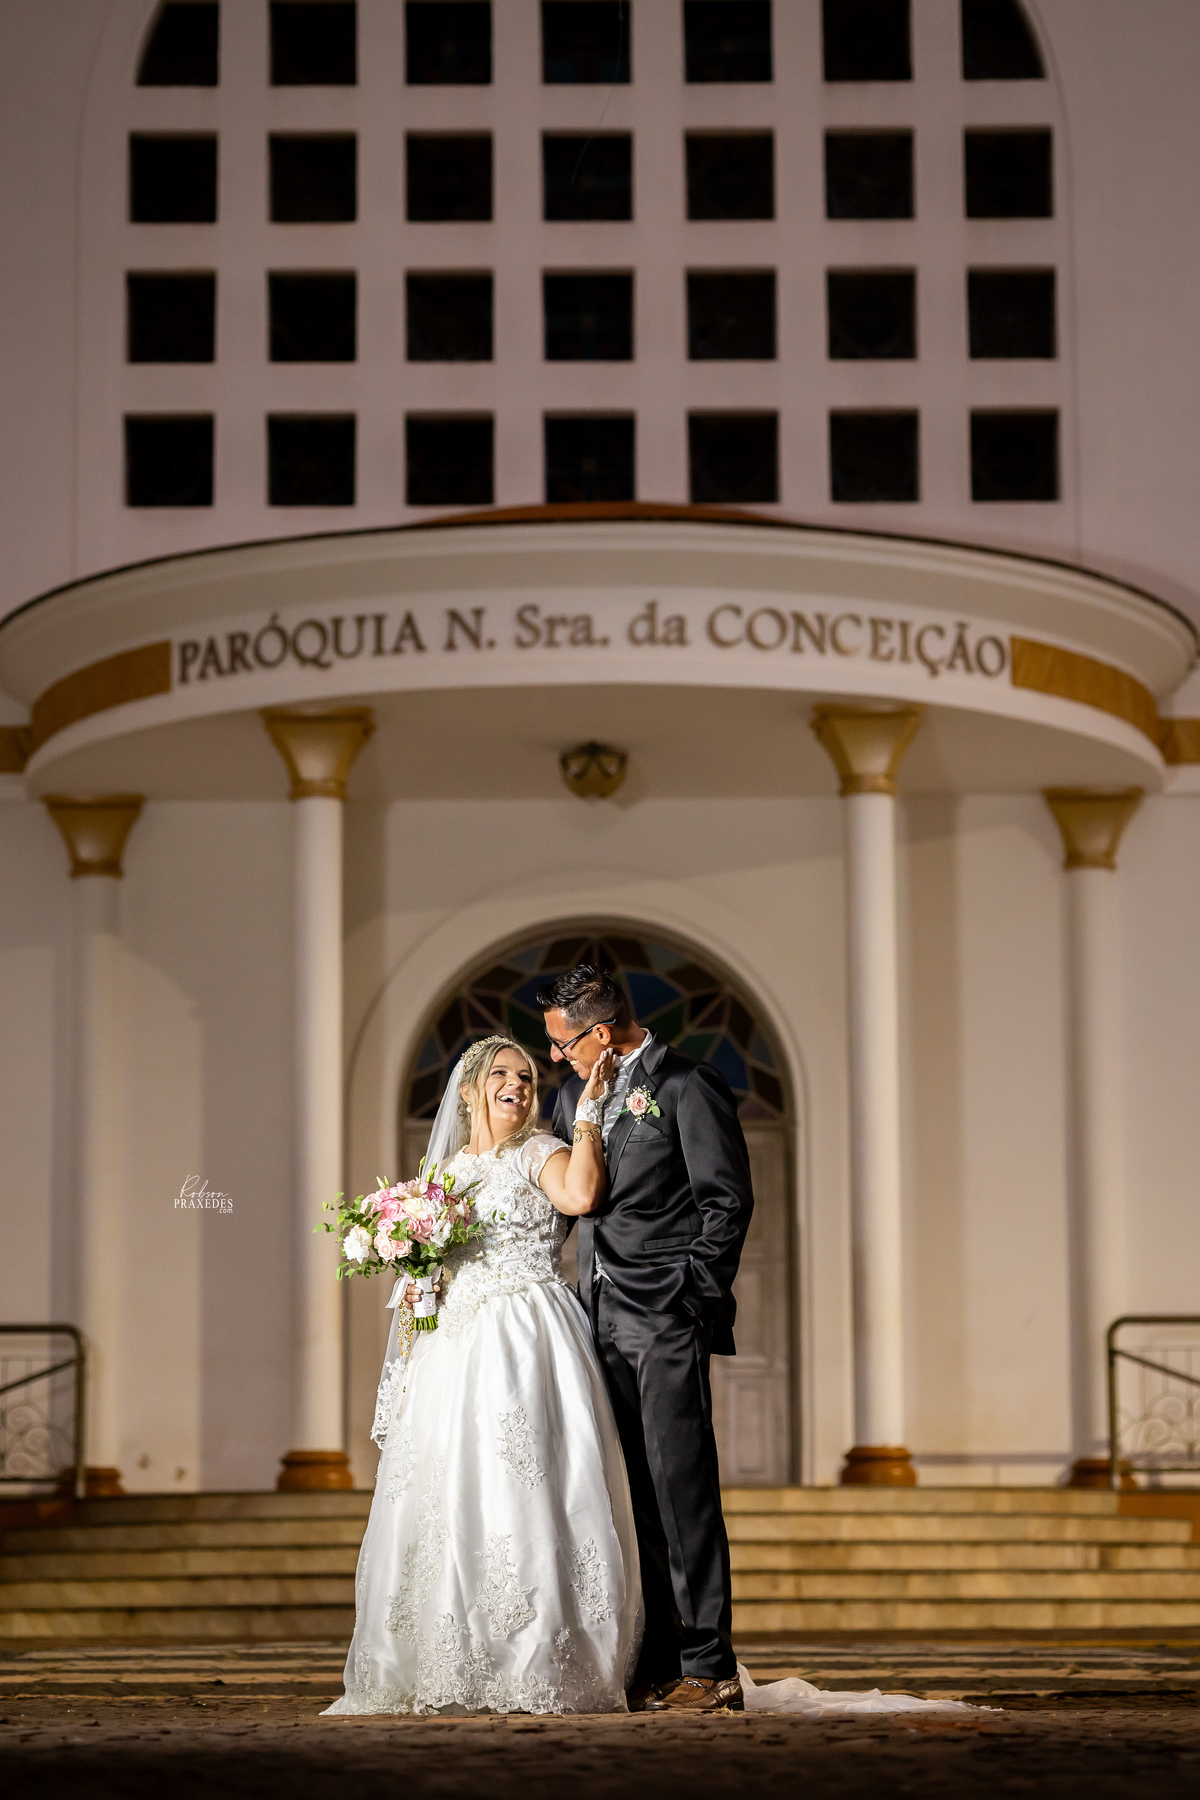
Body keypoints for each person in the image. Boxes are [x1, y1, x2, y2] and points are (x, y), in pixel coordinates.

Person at [324, 1034, 642, 1717]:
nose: (517, 1085)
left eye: (526, 1076)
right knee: (448, 1490)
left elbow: (582, 1195)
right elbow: (429, 1269)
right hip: (451, 1348)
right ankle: (449, 1653)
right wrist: (413, 1277)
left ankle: (535, 1651)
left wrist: (587, 1113)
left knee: (523, 1480)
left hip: (527, 1334)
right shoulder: (442, 1178)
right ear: (468, 1091)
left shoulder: (540, 1151)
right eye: (501, 1074)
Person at [540, 964, 754, 1714]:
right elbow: (568, 1199)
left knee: (680, 1487)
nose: (556, 1060)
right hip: (592, 1321)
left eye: (563, 1044)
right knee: (629, 1498)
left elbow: (725, 1203)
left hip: (663, 1317)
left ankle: (710, 1665)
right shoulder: (573, 1096)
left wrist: (687, 1298)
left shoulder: (687, 1085)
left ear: (600, 1034)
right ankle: (659, 1660)